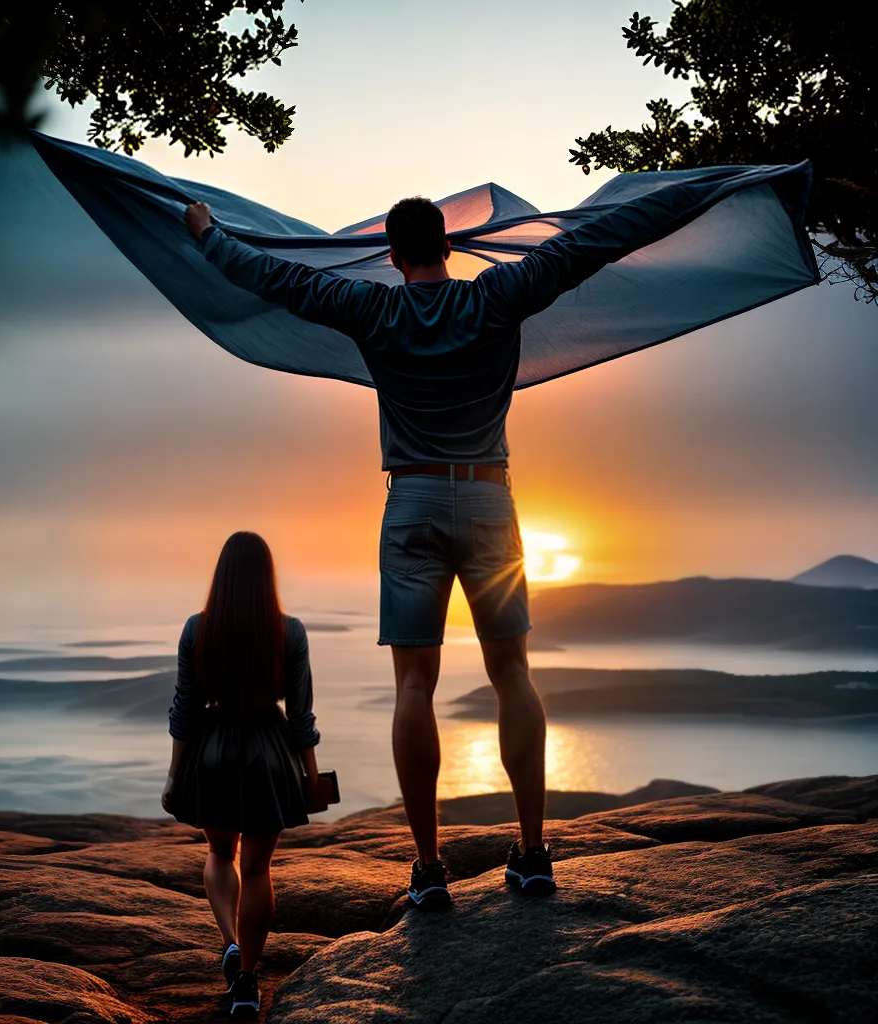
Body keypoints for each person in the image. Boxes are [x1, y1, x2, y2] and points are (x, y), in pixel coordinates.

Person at [184, 191, 680, 909]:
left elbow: (270, 278)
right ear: (448, 246)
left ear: (392, 256)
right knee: (511, 671)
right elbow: (597, 241)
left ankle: (428, 867)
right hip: (488, 498)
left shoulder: (371, 307)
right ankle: (535, 853)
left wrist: (206, 235)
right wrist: (692, 200)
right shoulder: (498, 295)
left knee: (414, 684)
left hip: (411, 502)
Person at [162, 531, 323, 1018]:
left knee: (218, 851)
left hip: (211, 753)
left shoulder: (197, 629)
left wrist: (174, 776)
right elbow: (301, 717)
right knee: (256, 869)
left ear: (222, 577)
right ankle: (249, 982)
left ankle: (229, 942)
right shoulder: (289, 632)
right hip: (269, 755)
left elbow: (184, 711)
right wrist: (310, 777)